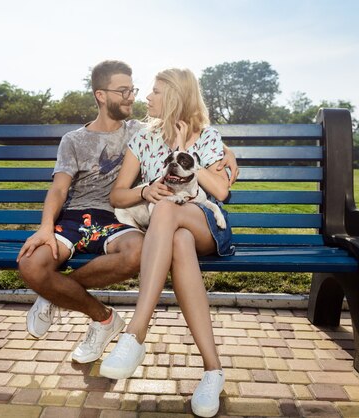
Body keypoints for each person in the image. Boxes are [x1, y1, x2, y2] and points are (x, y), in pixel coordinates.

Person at [17, 60, 237, 366]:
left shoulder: (171, 132)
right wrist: (45, 227)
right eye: (126, 90)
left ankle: (130, 331)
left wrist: (211, 151)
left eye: (144, 90)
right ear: (101, 95)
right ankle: (208, 367)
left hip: (168, 221)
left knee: (157, 225)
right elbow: (77, 191)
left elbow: (214, 179)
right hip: (109, 221)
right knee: (173, 229)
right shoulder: (125, 137)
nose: (138, 97)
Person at [100, 68, 238, 418]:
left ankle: (134, 334)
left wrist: (180, 148)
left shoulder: (208, 137)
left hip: (206, 224)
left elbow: (221, 191)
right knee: (176, 235)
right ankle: (212, 371)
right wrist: (145, 190)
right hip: (174, 232)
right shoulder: (143, 139)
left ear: (175, 96)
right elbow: (117, 193)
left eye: (156, 91)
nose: (147, 98)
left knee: (168, 211)